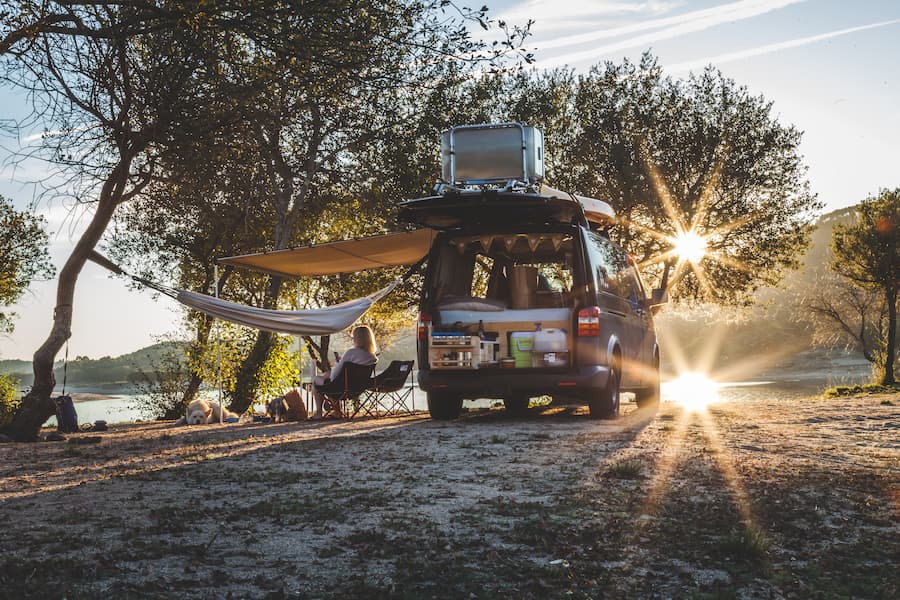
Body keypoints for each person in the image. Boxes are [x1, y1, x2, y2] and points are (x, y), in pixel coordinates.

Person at [311, 325, 378, 419]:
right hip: (357, 389)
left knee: (316, 380)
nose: (352, 339)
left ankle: (319, 413)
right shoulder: (372, 358)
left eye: (353, 337)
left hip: (341, 389)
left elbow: (334, 376)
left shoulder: (351, 352)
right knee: (328, 379)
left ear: (358, 338)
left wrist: (338, 364)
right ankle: (337, 412)